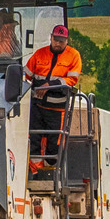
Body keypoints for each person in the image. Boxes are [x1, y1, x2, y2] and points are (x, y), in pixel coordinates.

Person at [24, 23, 81, 170]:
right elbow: (26, 76)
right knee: (34, 139)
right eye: (56, 39)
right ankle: (34, 172)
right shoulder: (39, 54)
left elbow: (71, 80)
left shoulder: (74, 56)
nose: (58, 43)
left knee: (54, 144)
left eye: (61, 40)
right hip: (37, 106)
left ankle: (50, 170)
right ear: (51, 38)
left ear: (67, 41)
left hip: (57, 110)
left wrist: (49, 85)